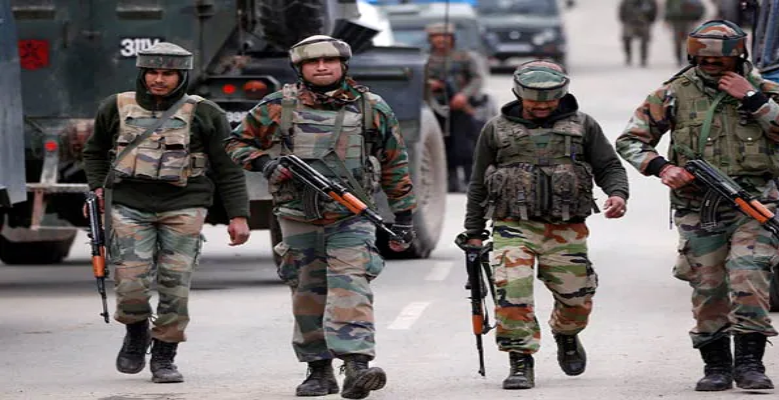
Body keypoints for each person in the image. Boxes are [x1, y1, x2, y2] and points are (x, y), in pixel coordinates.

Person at [615, 20, 779, 392]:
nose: (711, 65)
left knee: (749, 274)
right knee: (708, 285)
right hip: (697, 206)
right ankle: (716, 364)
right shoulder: (672, 93)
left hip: (752, 204)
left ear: (738, 56)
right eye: (703, 60)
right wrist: (662, 167)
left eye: (720, 60)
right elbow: (631, 140)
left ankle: (750, 363)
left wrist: (751, 98)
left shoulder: (768, 90)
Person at [224, 35, 417, 399]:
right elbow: (236, 143)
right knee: (307, 293)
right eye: (313, 62)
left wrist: (404, 217)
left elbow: (395, 162)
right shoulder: (278, 106)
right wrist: (266, 164)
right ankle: (318, 369)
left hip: (351, 215)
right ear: (300, 69)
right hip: (297, 216)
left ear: (344, 65)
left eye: (330, 60)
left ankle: (357, 367)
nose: (322, 67)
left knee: (352, 286)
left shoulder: (371, 107)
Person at [82, 42, 251, 383]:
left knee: (175, 286)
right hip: (128, 205)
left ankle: (164, 355)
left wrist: (239, 215)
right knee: (130, 282)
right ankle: (136, 331)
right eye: (153, 72)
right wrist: (99, 187)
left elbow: (227, 168)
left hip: (184, 206)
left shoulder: (205, 112)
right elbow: (94, 151)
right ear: (142, 74)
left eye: (168, 73)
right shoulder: (116, 106)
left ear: (182, 76)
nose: (159, 80)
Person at [460, 60, 629, 390]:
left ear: (561, 95)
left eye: (549, 100)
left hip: (565, 229)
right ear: (518, 94)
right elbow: (479, 182)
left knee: (577, 300)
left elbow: (609, 166)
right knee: (512, 293)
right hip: (513, 226)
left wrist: (618, 194)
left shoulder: (583, 126)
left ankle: (566, 333)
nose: (541, 106)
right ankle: (520, 360)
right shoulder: (496, 129)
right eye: (533, 100)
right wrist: (474, 232)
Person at [425, 22, 486, 193]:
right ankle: (450, 181)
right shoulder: (426, 59)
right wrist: (431, 84)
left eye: (445, 36)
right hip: (437, 108)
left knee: (466, 146)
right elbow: (418, 78)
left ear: (452, 38)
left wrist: (464, 95)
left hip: (461, 108)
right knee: (444, 145)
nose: (441, 40)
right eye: (437, 37)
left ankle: (470, 180)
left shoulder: (465, 57)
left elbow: (477, 78)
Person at [618, 0, 659, 67]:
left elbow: (654, 10)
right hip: (630, 22)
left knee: (644, 42)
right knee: (627, 39)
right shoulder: (627, 1)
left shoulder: (649, 1)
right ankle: (628, 57)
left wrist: (650, 21)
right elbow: (622, 10)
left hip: (644, 22)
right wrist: (624, 20)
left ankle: (643, 59)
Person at [664, 0, 706, 65]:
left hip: (689, 20)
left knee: (689, 40)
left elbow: (701, 7)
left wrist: (697, 17)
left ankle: (689, 58)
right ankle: (679, 59)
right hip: (676, 21)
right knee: (678, 41)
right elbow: (667, 8)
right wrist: (666, 19)